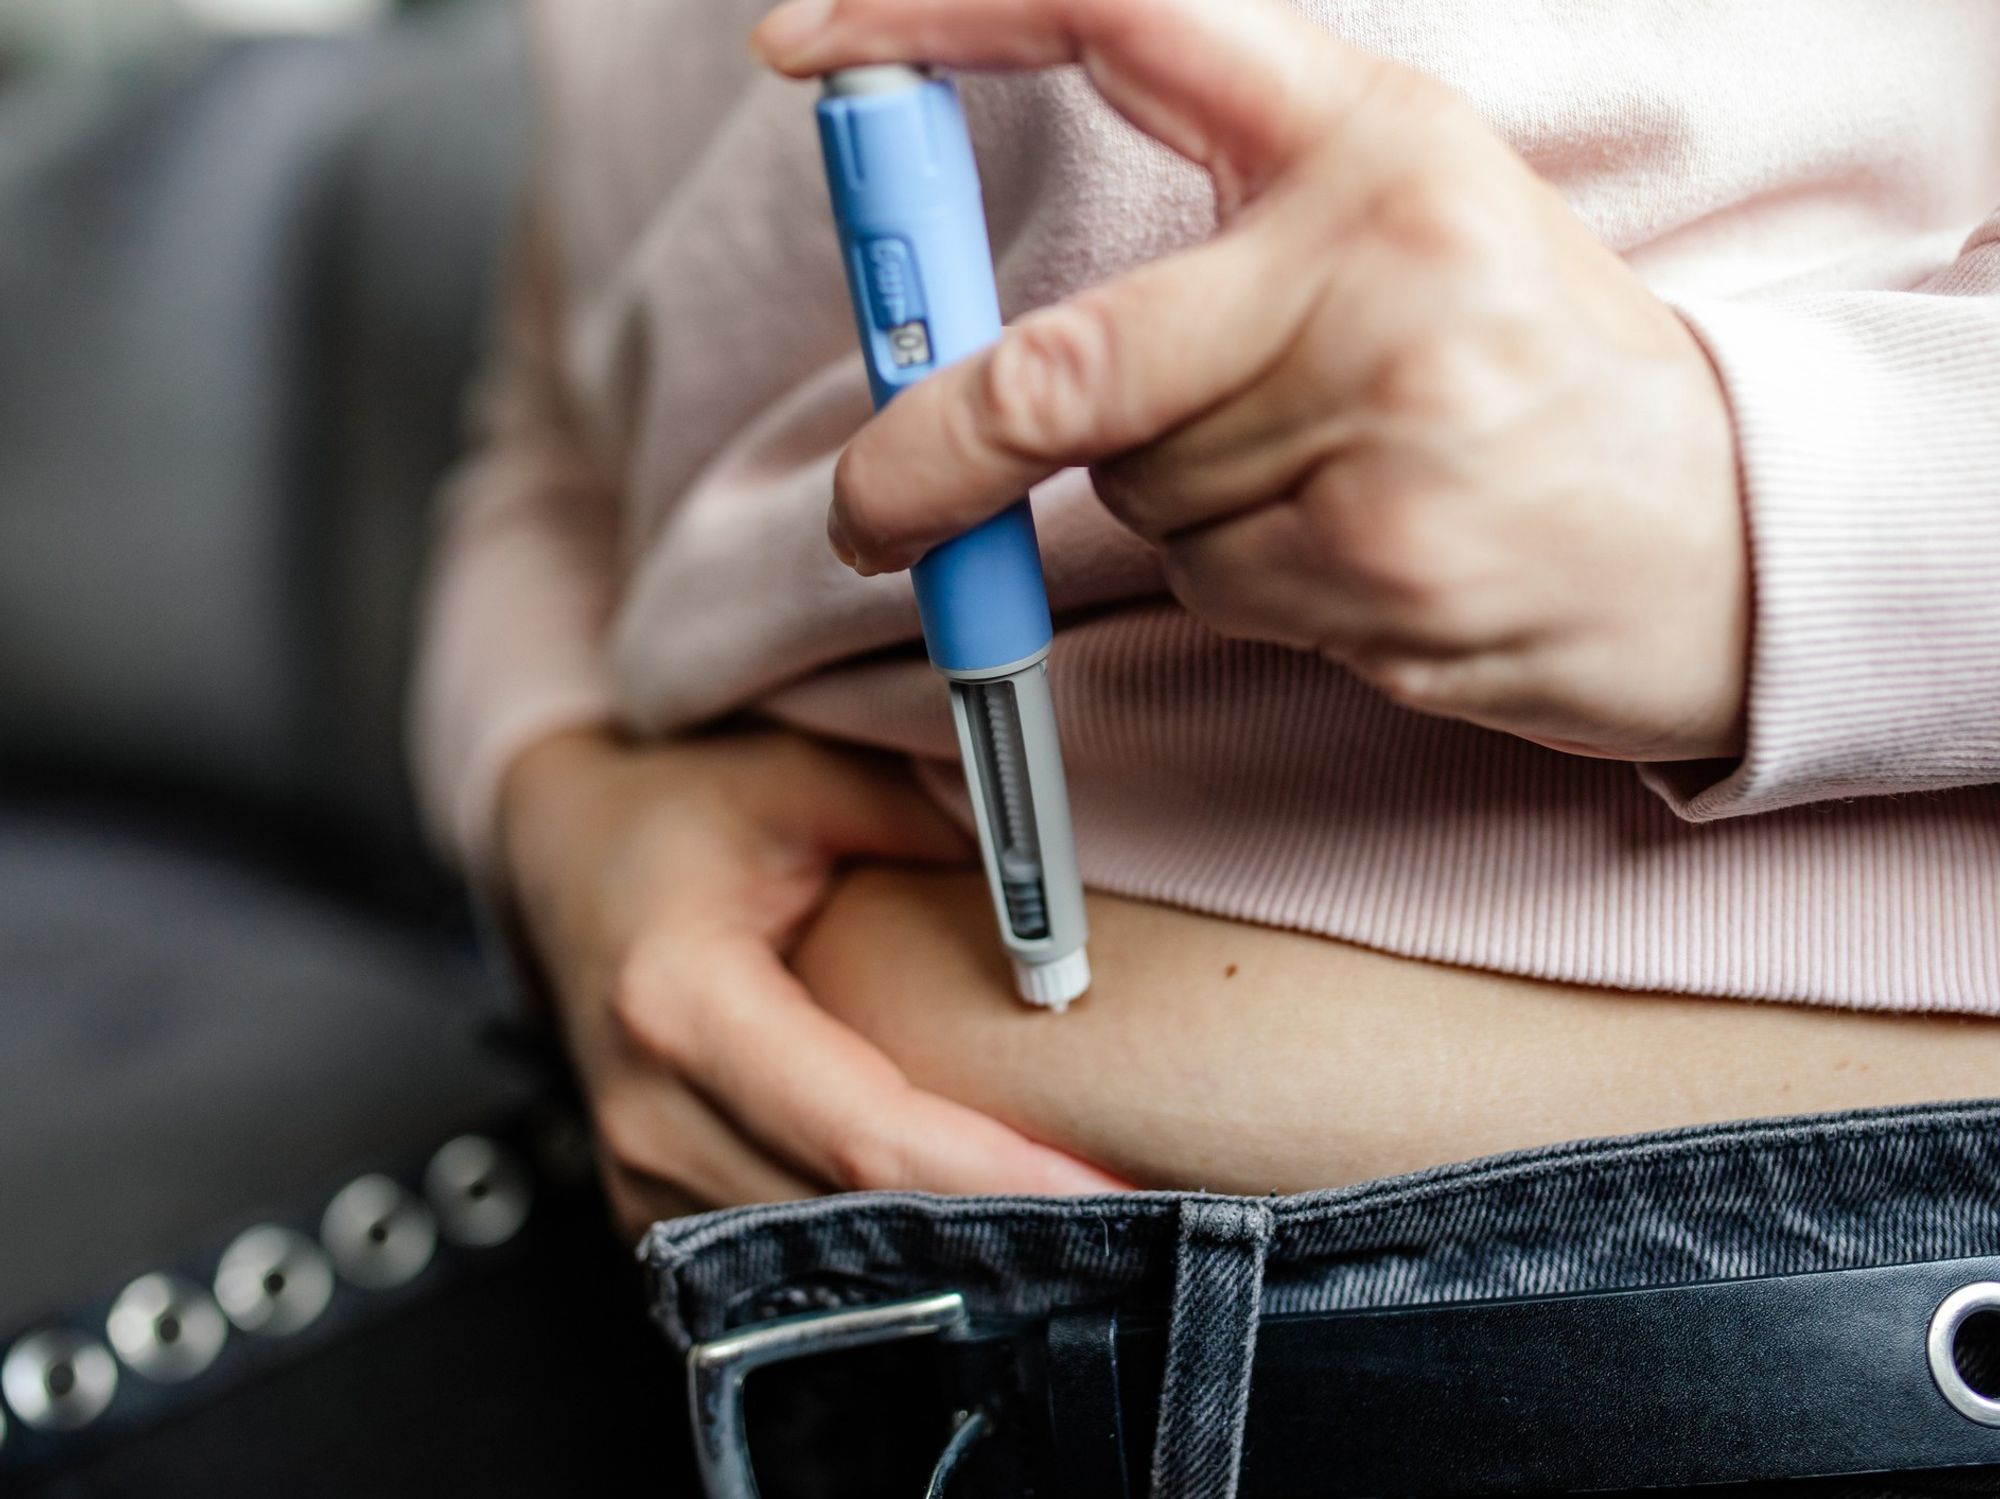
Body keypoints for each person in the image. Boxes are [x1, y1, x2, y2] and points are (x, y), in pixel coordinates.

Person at [414, 0, 2000, 1237]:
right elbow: (552, 425)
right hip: (764, 1261)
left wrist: (1745, 509)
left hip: (1700, 1299)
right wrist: (559, 800)